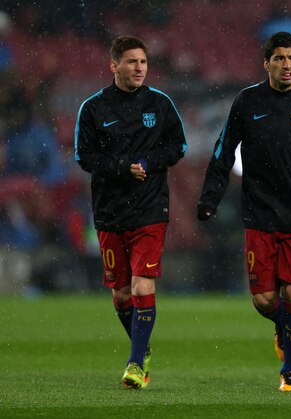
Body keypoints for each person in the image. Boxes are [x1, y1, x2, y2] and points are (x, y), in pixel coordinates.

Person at [197, 32, 291, 392]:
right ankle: (286, 328)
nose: (286, 65)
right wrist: (209, 199)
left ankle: (290, 371)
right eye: (279, 58)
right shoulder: (247, 101)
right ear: (266, 62)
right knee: (265, 300)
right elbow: (223, 152)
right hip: (260, 214)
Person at [74, 35, 187, 389]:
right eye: (132, 62)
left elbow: (178, 145)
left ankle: (136, 362)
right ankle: (143, 347)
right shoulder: (93, 109)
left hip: (151, 208)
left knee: (142, 284)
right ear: (114, 65)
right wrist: (123, 167)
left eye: (143, 62)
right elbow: (84, 156)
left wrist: (149, 162)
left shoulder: (160, 103)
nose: (139, 68)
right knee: (122, 293)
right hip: (109, 211)